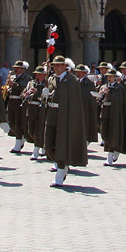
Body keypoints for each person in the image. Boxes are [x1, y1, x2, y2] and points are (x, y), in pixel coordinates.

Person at [45, 56, 88, 187]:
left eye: (59, 65)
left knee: (61, 147)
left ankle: (60, 172)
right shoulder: (52, 79)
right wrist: (44, 95)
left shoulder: (71, 81)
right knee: (48, 145)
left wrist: (72, 121)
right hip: (52, 116)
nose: (56, 68)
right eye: (54, 66)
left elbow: (75, 103)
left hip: (65, 117)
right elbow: (48, 99)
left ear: (65, 66)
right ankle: (62, 166)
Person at [98, 67, 126, 166]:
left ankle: (110, 157)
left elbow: (119, 101)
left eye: (111, 76)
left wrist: (109, 93)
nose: (109, 78)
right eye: (108, 76)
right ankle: (114, 150)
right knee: (104, 133)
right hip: (105, 112)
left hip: (114, 113)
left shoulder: (119, 88)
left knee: (112, 134)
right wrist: (101, 95)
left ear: (115, 77)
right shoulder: (104, 87)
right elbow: (99, 101)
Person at [23, 65, 49, 160]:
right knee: (30, 130)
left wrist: (37, 92)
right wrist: (25, 94)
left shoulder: (47, 84)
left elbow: (46, 96)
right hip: (31, 108)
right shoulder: (31, 83)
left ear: (43, 75)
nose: (37, 76)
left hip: (41, 109)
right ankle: (41, 144)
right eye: (36, 74)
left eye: (39, 74)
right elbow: (23, 93)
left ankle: (36, 150)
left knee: (39, 129)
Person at [5, 60, 32, 153]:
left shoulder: (27, 78)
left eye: (17, 68)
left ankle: (18, 143)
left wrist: (14, 85)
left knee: (18, 123)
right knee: (10, 122)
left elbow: (24, 88)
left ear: (22, 69)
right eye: (14, 68)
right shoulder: (12, 77)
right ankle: (21, 137)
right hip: (11, 101)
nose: (15, 70)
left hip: (19, 102)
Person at [74, 64, 99, 145]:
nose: (78, 73)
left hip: (85, 108)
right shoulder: (74, 82)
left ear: (84, 73)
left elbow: (91, 97)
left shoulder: (89, 83)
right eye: (77, 72)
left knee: (85, 126)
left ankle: (85, 142)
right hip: (75, 108)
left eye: (80, 72)